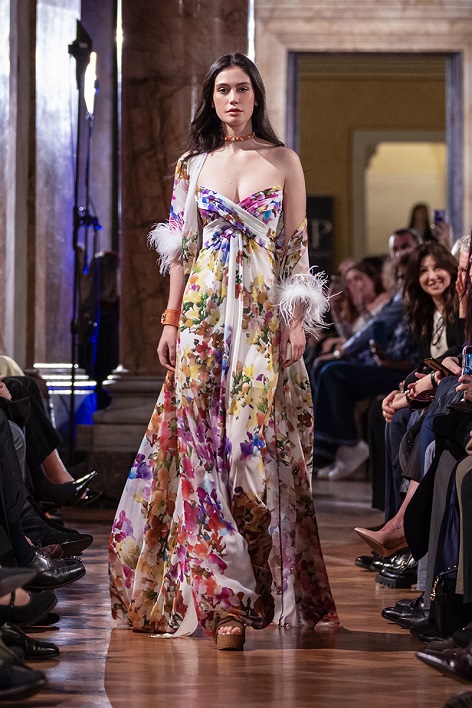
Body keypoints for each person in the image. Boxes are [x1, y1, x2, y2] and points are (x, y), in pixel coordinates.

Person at [109, 53, 338, 651]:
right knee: (200, 453)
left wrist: (296, 321)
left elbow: (295, 250)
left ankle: (255, 584)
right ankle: (222, 602)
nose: (232, 98)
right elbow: (180, 251)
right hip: (202, 319)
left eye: (241, 88)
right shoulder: (193, 165)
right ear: (211, 100)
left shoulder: (283, 160)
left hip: (260, 320)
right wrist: (170, 320)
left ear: (256, 95)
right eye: (221, 90)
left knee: (246, 448)